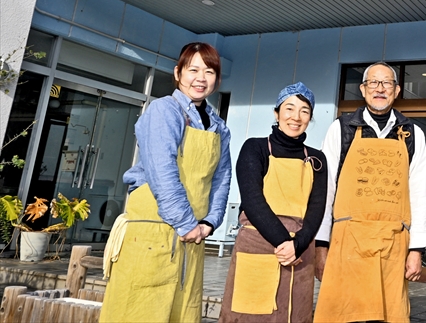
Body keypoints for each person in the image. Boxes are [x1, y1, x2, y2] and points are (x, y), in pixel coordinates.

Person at [100, 42, 232, 323]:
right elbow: (162, 171)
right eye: (193, 69)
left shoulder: (218, 126)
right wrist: (185, 223)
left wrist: (210, 222)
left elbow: (222, 178)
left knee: (182, 313)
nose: (201, 78)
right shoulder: (164, 110)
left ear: (217, 79)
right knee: (138, 311)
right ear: (177, 72)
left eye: (209, 71)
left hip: (193, 238)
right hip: (152, 232)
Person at [314, 62, 426, 323]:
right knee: (344, 314)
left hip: (393, 243)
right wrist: (321, 244)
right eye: (373, 83)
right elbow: (325, 188)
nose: (380, 89)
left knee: (387, 315)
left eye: (387, 83)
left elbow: (420, 193)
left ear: (397, 90)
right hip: (347, 242)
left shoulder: (412, 134)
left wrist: (417, 249)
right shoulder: (340, 129)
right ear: (363, 89)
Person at [219, 82, 326, 322]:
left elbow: (317, 207)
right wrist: (284, 242)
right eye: (289, 109)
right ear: (276, 113)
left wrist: (298, 243)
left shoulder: (317, 159)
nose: (296, 117)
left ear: (310, 117)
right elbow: (252, 200)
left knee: (295, 315)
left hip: (300, 250)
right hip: (260, 243)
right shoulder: (254, 148)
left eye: (304, 111)